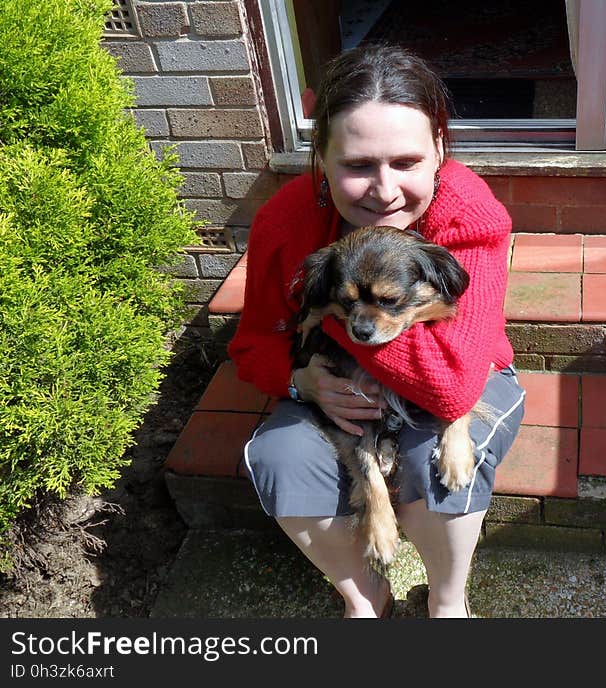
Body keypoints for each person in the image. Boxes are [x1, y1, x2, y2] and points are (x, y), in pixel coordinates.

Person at [228, 44, 525, 618]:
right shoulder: (284, 222)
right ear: (321, 155)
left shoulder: (470, 216)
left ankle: (446, 601)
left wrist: (334, 314)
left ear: (440, 150)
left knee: (430, 459)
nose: (385, 190)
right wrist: (299, 382)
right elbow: (253, 342)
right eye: (358, 165)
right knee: (280, 456)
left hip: (463, 372)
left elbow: (453, 387)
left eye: (407, 162)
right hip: (340, 386)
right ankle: (365, 599)